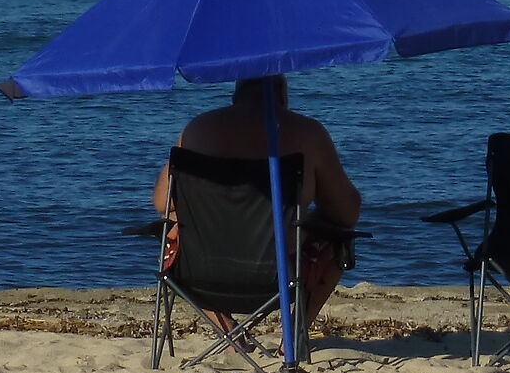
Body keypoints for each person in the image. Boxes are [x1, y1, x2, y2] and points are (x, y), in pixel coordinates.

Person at [151, 76, 363, 321]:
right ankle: (295, 335)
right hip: (280, 277)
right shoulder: (307, 133)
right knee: (337, 236)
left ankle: (230, 337)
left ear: (235, 95)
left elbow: (162, 202)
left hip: (200, 274)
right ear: (282, 95)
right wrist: (307, 214)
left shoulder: (196, 129)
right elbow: (347, 213)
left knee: (176, 227)